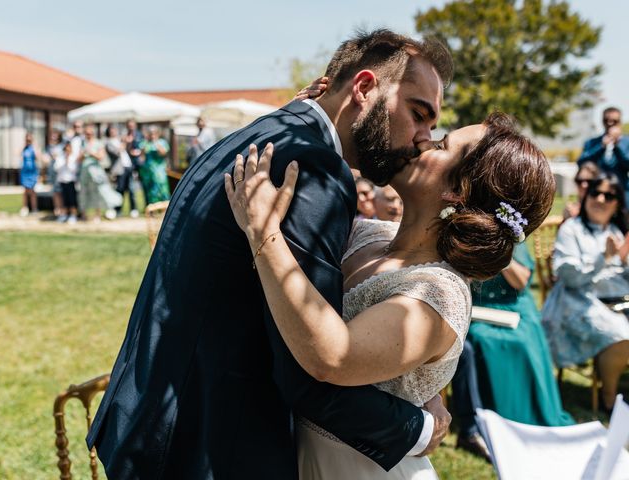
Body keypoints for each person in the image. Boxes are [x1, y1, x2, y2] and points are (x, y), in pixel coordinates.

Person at [87, 30, 458, 480]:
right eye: (419, 114)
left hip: (148, 415)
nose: (423, 138)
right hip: (208, 445)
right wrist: (419, 426)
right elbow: (310, 369)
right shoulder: (314, 170)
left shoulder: (258, 135)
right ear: (363, 88)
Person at [225, 107, 555, 477]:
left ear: (456, 191)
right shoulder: (370, 234)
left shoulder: (438, 293)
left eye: (442, 144)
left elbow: (332, 358)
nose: (422, 140)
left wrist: (262, 233)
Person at [452, 242, 574, 460]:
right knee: (483, 339)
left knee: (523, 340)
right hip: (478, 307)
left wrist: (500, 254)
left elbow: (521, 283)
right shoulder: (467, 237)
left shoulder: (512, 238)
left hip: (512, 304)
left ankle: (531, 414)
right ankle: (494, 415)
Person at [542, 172, 629, 413]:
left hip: (619, 301)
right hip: (578, 300)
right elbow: (569, 277)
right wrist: (604, 258)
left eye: (609, 195)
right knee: (620, 333)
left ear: (617, 203)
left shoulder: (616, 230)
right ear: (586, 196)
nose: (601, 199)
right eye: (595, 192)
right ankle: (609, 398)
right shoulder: (572, 229)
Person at [578, 107, 629, 203]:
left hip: (622, 193)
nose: (610, 123)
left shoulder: (627, 142)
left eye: (614, 121)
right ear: (602, 121)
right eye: (606, 120)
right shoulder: (592, 143)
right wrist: (601, 147)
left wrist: (617, 146)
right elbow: (581, 163)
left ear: (620, 122)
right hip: (597, 193)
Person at [78, 125, 120, 222]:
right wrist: (83, 154)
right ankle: (84, 215)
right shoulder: (83, 143)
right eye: (86, 133)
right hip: (85, 171)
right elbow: (79, 159)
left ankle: (98, 215)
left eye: (89, 133)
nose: (88, 135)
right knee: (84, 192)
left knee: (98, 192)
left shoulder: (98, 143)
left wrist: (91, 153)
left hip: (96, 172)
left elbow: (101, 157)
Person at [106, 126, 138, 217]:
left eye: (115, 130)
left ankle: (133, 209)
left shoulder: (119, 140)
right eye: (112, 131)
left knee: (131, 189)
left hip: (128, 167)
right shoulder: (109, 143)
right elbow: (117, 152)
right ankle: (117, 210)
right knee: (120, 190)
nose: (114, 132)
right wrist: (124, 142)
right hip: (119, 170)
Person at [138, 126, 171, 205]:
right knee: (151, 190)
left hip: (159, 171)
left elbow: (163, 153)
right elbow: (141, 158)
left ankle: (164, 207)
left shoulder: (162, 142)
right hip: (148, 171)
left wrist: (156, 143)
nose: (152, 135)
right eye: (150, 134)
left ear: (157, 134)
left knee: (162, 188)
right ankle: (153, 208)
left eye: (154, 133)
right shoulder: (144, 143)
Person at [55, 142, 79, 224]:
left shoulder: (74, 158)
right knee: (64, 200)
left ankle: (73, 215)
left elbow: (74, 170)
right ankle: (64, 214)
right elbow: (57, 168)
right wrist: (65, 161)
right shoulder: (60, 158)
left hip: (71, 181)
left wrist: (68, 161)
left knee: (72, 200)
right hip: (62, 181)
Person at [19, 132, 39, 217]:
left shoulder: (34, 148)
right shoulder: (24, 148)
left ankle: (34, 208)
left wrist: (34, 146)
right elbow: (18, 154)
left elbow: (38, 157)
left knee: (33, 190)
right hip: (25, 172)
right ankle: (25, 207)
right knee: (25, 190)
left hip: (32, 172)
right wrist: (24, 145)